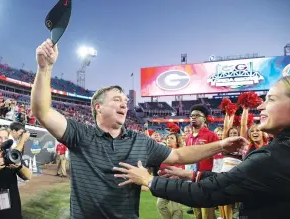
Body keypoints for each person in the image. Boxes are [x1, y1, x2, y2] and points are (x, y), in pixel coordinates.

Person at [31, 39, 248, 219]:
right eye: (117, 99)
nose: (125, 104)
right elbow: (43, 111)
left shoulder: (141, 141)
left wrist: (220, 144)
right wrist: (45, 68)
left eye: (125, 100)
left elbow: (179, 154)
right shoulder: (80, 134)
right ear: (98, 107)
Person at [113, 76, 290, 219]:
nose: (261, 105)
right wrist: (191, 174)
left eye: (271, 99)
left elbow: (206, 192)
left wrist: (148, 180)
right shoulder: (278, 152)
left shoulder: (271, 157)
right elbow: (236, 179)